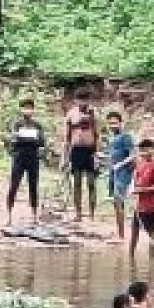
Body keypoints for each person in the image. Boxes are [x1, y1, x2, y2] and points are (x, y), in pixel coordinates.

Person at [6, 98, 46, 226]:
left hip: (33, 158)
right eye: (25, 108)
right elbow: (14, 140)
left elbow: (41, 142)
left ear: (33, 110)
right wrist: (29, 139)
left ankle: (34, 216)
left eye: (29, 108)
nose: (27, 110)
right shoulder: (17, 124)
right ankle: (9, 216)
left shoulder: (37, 125)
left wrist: (24, 138)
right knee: (14, 185)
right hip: (19, 157)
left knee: (33, 186)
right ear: (21, 109)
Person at [65, 90, 99, 223]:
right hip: (76, 150)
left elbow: (96, 134)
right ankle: (78, 213)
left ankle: (92, 214)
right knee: (77, 183)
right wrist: (66, 155)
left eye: (85, 99)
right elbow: (67, 136)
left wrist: (96, 153)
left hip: (90, 150)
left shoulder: (93, 113)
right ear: (76, 100)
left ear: (88, 100)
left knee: (91, 183)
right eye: (80, 99)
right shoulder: (71, 114)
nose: (83, 102)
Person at [129, 138, 154, 260]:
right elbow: (135, 179)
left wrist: (142, 190)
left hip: (150, 203)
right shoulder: (140, 163)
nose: (143, 152)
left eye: (145, 150)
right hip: (139, 203)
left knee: (150, 230)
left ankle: (151, 259)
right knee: (134, 229)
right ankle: (131, 258)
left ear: (151, 150)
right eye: (141, 150)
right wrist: (133, 188)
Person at [106, 111, 136, 241]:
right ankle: (120, 232)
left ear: (120, 123)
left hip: (123, 173)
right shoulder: (112, 138)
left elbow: (132, 155)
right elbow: (113, 156)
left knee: (118, 201)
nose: (112, 126)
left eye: (115, 123)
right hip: (113, 173)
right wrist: (101, 158)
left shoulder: (126, 137)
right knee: (116, 203)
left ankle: (121, 236)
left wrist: (120, 164)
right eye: (110, 123)